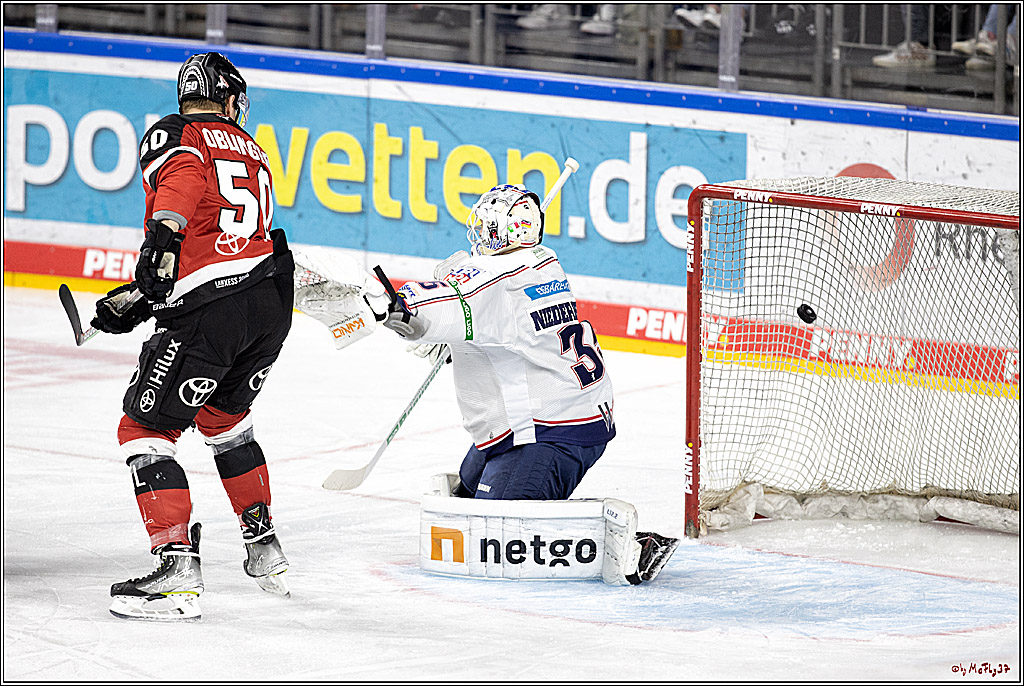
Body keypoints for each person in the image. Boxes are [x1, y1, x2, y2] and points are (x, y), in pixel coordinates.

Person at [90, 52, 296, 621]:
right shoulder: (253, 150)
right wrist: (143, 298)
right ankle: (264, 548)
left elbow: (180, 203)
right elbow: (226, 237)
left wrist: (157, 256)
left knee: (144, 430)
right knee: (225, 421)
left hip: (213, 309)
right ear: (230, 98)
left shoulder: (177, 133)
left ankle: (176, 571)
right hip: (268, 302)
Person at [377, 184, 616, 501]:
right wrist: (458, 340)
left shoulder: (497, 273)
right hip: (575, 414)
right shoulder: (544, 261)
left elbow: (446, 299)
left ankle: (612, 544)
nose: (483, 235)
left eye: (491, 228)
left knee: (497, 532)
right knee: (465, 492)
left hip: (546, 430)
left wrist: (397, 308)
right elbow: (505, 325)